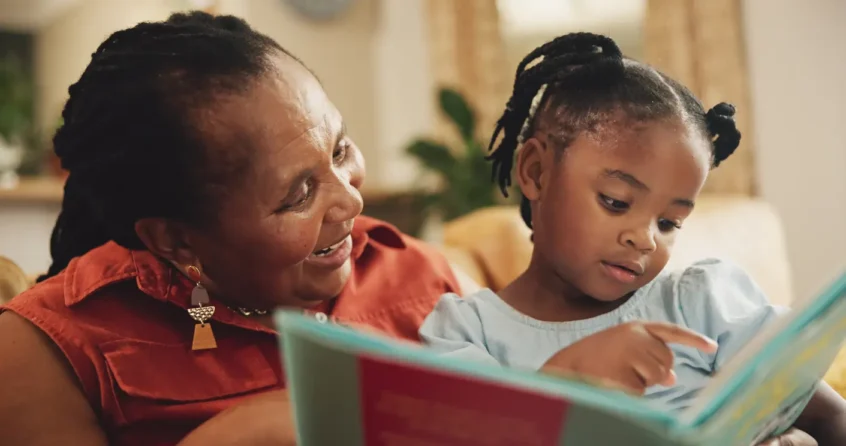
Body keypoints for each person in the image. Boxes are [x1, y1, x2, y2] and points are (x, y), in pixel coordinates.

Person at [0, 12, 479, 446]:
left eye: (339, 151)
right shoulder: (47, 350)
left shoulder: (421, 272)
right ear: (176, 239)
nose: (351, 199)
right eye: (298, 195)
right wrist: (238, 434)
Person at [420, 32, 846, 445]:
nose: (644, 240)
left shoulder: (700, 303)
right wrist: (569, 377)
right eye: (616, 202)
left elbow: (831, 418)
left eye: (668, 223)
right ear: (535, 171)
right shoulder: (465, 334)